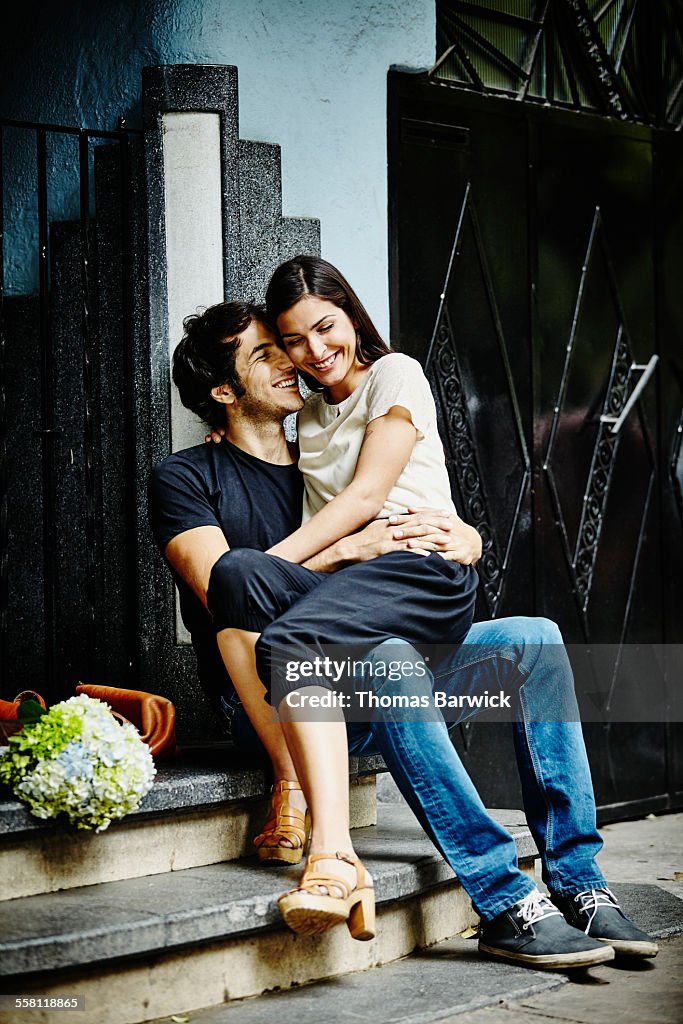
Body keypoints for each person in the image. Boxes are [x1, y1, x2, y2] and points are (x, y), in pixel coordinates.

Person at [149, 296, 657, 970]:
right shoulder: (185, 478)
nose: (292, 360)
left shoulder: (324, 447)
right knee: (382, 654)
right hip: (275, 704)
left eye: (290, 344)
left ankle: (577, 879)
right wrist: (344, 549)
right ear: (222, 390)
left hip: (371, 673)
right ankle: (503, 898)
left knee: (532, 638)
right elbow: (228, 588)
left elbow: (404, 508)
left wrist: (466, 538)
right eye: (265, 353)